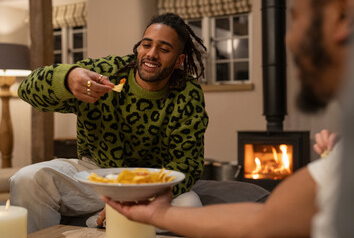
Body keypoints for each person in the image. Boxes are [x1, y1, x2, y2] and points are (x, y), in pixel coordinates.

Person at [103, 0, 354, 237]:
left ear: (343, 14)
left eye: (296, 19)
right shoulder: (343, 160)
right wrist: (157, 213)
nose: (289, 40)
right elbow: (266, 219)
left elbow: (264, 221)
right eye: (147, 45)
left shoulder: (187, 95)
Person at [10, 13, 209, 233]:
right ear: (138, 47)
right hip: (97, 174)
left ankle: (115, 219)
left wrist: (137, 197)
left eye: (164, 49)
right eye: (146, 45)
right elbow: (26, 90)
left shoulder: (187, 93)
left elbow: (187, 166)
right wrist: (67, 79)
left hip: (154, 183)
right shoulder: (105, 72)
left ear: (179, 60)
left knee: (190, 206)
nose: (151, 54)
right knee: (28, 179)